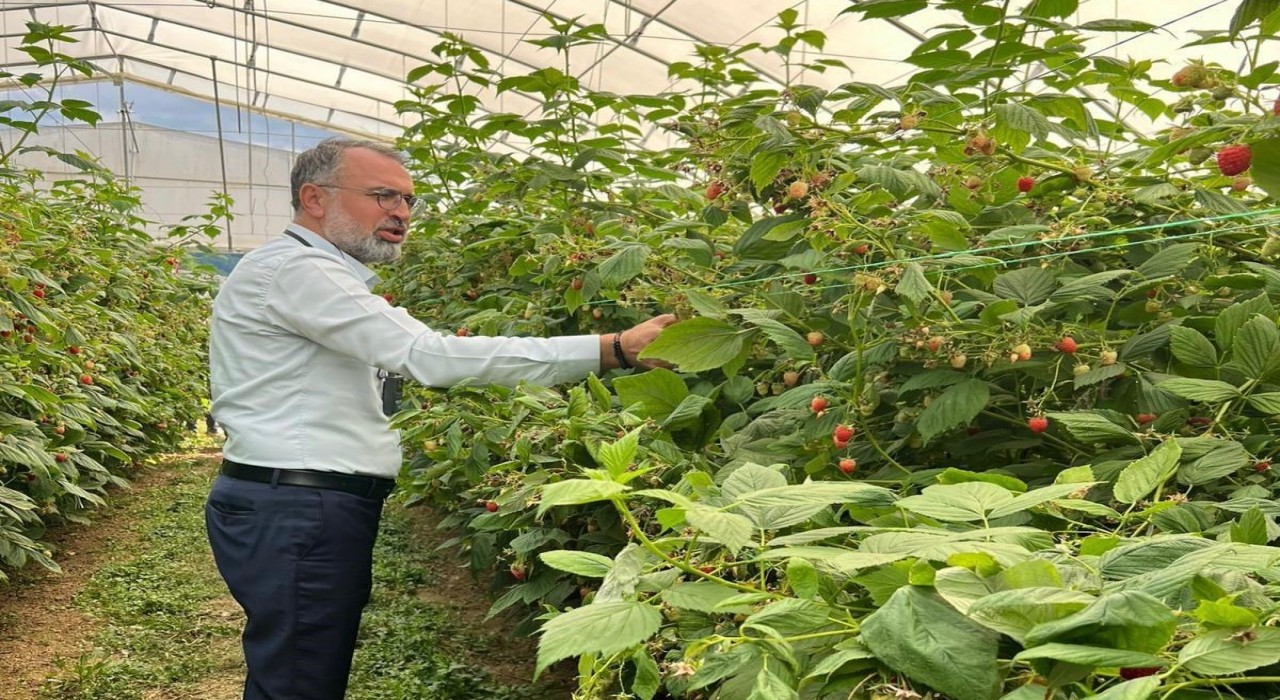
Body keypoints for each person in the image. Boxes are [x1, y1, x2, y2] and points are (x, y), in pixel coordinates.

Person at [205, 136, 676, 700]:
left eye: (408, 200)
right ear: (314, 198)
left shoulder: (308, 273)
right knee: (300, 680)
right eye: (382, 196)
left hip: (295, 504)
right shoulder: (299, 271)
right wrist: (612, 348)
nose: (401, 213)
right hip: (300, 508)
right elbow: (429, 355)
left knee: (297, 670)